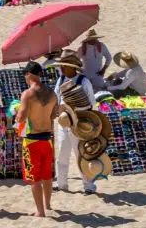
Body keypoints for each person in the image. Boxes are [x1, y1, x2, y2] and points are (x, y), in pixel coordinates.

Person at [17, 61, 59, 219]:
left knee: (34, 178)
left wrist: (16, 112)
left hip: (32, 140)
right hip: (47, 139)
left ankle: (40, 211)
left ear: (28, 75)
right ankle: (47, 204)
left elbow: (20, 118)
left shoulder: (28, 94)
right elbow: (54, 114)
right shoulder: (52, 93)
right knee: (47, 175)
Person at [52, 49, 97, 193]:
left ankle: (89, 186)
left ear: (72, 67)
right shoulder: (60, 80)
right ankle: (62, 184)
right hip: (64, 123)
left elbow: (91, 103)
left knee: (81, 155)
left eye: (64, 66)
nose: (62, 68)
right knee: (62, 156)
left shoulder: (84, 81)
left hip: (79, 124)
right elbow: (57, 99)